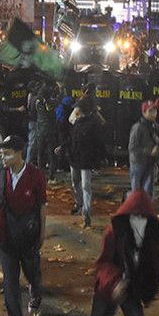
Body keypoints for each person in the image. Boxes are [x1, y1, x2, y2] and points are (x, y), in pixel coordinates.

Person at [0, 135, 47, 316]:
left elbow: (41, 206)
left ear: (19, 153)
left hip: (29, 237)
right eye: (1, 153)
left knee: (32, 273)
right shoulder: (1, 175)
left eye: (7, 153)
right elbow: (0, 204)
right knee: (10, 286)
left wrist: (42, 233)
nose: (2, 157)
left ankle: (35, 291)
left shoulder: (36, 176)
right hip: (7, 237)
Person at [62, 98, 106, 229]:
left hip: (85, 160)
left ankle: (86, 213)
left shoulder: (92, 125)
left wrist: (100, 158)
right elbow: (71, 139)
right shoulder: (77, 123)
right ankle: (79, 204)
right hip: (75, 159)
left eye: (78, 109)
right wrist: (63, 147)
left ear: (82, 111)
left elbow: (98, 143)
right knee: (76, 182)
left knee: (86, 185)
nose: (75, 111)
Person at [128, 100, 159, 196]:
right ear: (144, 112)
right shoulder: (138, 127)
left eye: (155, 110)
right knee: (136, 192)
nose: (154, 113)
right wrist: (150, 151)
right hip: (138, 163)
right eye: (150, 111)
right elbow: (132, 147)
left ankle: (144, 210)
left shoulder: (154, 126)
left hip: (149, 162)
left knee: (148, 191)